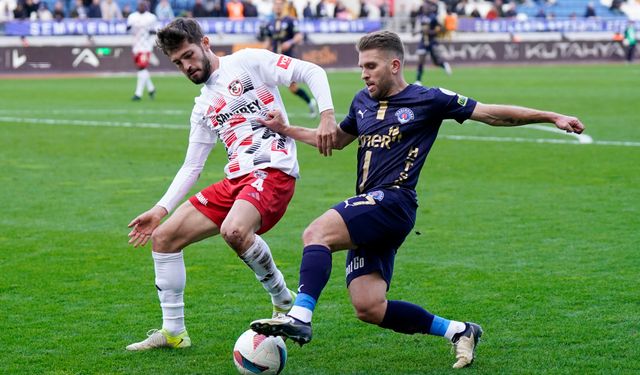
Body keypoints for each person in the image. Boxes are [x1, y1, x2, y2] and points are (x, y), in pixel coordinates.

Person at [250, 30, 585, 369]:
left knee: (315, 233)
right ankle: (460, 331)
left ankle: (300, 315)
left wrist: (550, 116)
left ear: (394, 65)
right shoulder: (361, 101)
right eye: (361, 66)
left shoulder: (429, 98)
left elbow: (492, 114)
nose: (364, 73)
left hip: (394, 201)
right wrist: (287, 129)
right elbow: (335, 140)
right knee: (369, 307)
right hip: (370, 206)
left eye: (371, 66)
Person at [125, 17, 338, 351]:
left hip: (272, 170)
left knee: (234, 230)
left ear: (205, 43)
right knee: (164, 238)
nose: (187, 66)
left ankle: (283, 300)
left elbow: (313, 71)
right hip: (236, 180)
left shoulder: (249, 61)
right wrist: (159, 209)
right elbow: (192, 165)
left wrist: (326, 115)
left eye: (189, 55)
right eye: (178, 62)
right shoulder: (202, 106)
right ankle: (173, 333)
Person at [262, 0, 318, 117]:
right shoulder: (270, 23)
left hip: (287, 60)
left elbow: (299, 36)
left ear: (283, 6)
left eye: (279, 4)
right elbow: (267, 42)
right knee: (266, 84)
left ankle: (310, 102)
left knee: (293, 88)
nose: (277, 7)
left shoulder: (290, 21)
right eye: (275, 4)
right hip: (273, 60)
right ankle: (269, 112)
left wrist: (290, 42)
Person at [414, 2, 452, 84]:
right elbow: (422, 29)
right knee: (421, 60)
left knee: (435, 61)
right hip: (423, 41)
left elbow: (441, 28)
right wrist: (416, 32)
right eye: (424, 7)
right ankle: (418, 80)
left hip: (431, 41)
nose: (425, 8)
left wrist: (431, 32)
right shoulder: (421, 16)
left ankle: (444, 64)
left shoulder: (433, 17)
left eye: (426, 7)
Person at [127, 1, 158, 101]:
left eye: (144, 4)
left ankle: (138, 94)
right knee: (141, 69)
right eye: (140, 4)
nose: (142, 6)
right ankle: (151, 88)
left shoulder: (151, 17)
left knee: (141, 68)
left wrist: (150, 31)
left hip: (146, 47)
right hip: (136, 46)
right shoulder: (132, 17)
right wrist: (130, 28)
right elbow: (128, 29)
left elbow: (156, 30)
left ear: (147, 6)